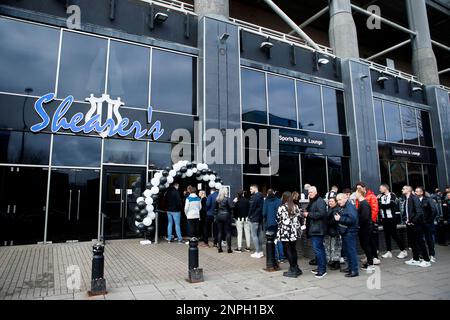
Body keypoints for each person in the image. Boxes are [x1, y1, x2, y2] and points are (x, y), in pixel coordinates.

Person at [402, 186, 431, 268]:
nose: (402, 190)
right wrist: (406, 220)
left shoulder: (414, 198)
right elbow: (405, 213)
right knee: (412, 242)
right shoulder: (406, 199)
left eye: (404, 189)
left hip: (416, 224)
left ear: (408, 190)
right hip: (409, 224)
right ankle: (416, 259)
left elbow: (419, 212)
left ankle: (427, 260)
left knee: (420, 242)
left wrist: (412, 221)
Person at [378, 184, 408, 259]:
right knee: (386, 235)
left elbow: (392, 205)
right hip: (384, 219)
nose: (379, 190)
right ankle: (389, 252)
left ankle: (403, 250)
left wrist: (382, 205)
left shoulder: (392, 195)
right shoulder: (381, 196)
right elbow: (379, 205)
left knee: (394, 235)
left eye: (381, 188)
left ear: (385, 188)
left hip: (392, 219)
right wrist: (383, 205)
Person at [304, 186, 328, 279]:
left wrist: (308, 214)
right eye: (308, 192)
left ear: (315, 192)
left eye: (311, 192)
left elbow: (322, 214)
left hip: (318, 230)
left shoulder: (320, 201)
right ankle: (320, 267)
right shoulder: (313, 201)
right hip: (314, 229)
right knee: (318, 250)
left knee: (318, 250)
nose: (309, 194)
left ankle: (322, 270)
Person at [277, 191, 302, 277]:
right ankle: (296, 267)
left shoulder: (282, 207)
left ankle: (292, 269)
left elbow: (278, 219)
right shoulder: (296, 206)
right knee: (293, 249)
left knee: (287, 250)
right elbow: (299, 218)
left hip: (285, 231)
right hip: (293, 231)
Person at [355, 182, 380, 265]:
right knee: (366, 242)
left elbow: (375, 210)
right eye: (357, 188)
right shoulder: (359, 199)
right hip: (363, 223)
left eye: (359, 188)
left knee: (370, 241)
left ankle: (374, 258)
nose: (358, 190)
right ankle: (369, 257)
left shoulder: (371, 196)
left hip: (369, 223)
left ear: (364, 187)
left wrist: (371, 221)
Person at [335, 193, 359, 277]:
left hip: (350, 232)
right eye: (337, 200)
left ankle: (354, 270)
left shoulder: (350, 207)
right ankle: (350, 267)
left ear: (345, 198)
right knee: (347, 252)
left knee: (351, 251)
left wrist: (340, 219)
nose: (338, 202)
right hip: (346, 232)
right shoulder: (344, 207)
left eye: (340, 200)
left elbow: (352, 219)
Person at [415, 187, 437, 262]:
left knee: (429, 239)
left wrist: (428, 221)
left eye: (417, 191)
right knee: (420, 240)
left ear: (421, 192)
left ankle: (432, 255)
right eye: (415, 191)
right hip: (419, 224)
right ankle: (422, 255)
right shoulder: (416, 200)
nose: (415, 192)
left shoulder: (428, 200)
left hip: (428, 224)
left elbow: (434, 211)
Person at [355, 189, 375, 271]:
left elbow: (365, 217)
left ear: (360, 193)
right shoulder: (362, 203)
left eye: (356, 193)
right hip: (364, 227)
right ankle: (369, 262)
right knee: (365, 245)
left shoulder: (364, 204)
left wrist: (359, 225)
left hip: (365, 228)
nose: (355, 194)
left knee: (366, 245)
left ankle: (370, 264)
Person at [263, 189, 285, 262]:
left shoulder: (266, 201)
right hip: (278, 223)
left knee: (271, 240)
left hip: (269, 224)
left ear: (267, 194)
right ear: (274, 193)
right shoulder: (279, 201)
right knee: (279, 239)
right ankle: (281, 257)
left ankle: (275, 257)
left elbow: (264, 213)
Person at [214, 187, 234, 253]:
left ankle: (219, 248)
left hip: (219, 216)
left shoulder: (217, 199)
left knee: (220, 232)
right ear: (225, 192)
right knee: (228, 232)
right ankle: (229, 248)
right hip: (226, 216)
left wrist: (215, 216)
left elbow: (215, 209)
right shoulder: (227, 199)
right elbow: (231, 207)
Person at [325, 197, 342, 270]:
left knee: (335, 248)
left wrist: (325, 223)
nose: (330, 202)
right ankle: (333, 262)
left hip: (335, 231)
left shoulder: (336, 209)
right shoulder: (330, 209)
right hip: (330, 231)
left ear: (336, 202)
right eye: (329, 201)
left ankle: (336, 263)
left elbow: (334, 221)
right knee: (331, 247)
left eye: (332, 201)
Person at [248, 184, 265, 258]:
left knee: (254, 235)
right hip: (260, 218)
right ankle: (260, 251)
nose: (250, 190)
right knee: (259, 235)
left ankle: (257, 252)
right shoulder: (262, 196)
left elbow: (252, 207)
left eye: (251, 189)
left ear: (255, 189)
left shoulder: (255, 197)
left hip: (254, 218)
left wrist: (249, 216)